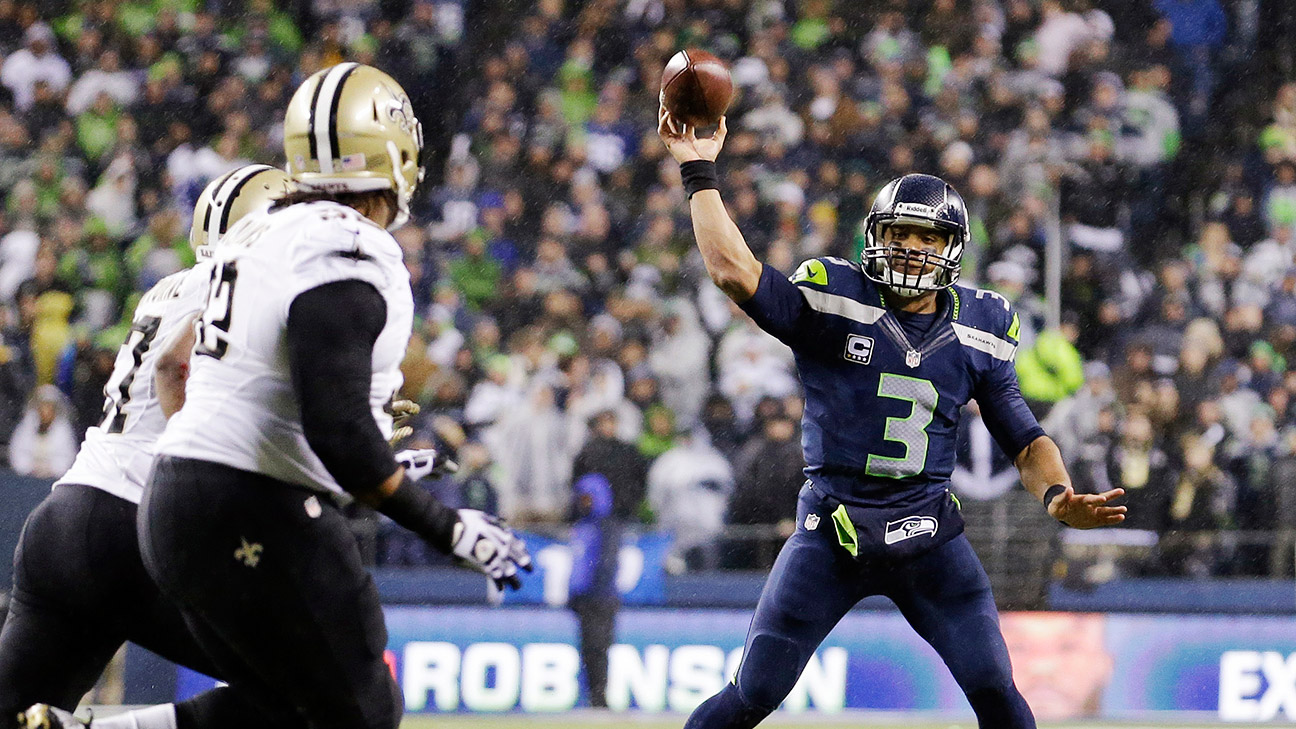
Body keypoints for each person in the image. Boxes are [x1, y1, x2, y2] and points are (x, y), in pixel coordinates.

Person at [658, 107, 1126, 729]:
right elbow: (733, 271)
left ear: (952, 249)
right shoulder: (834, 295)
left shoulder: (981, 325)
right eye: (900, 232)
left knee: (996, 690)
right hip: (833, 530)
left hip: (927, 536)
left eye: (927, 237)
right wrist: (698, 170)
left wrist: (1058, 496)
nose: (910, 246)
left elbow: (1022, 434)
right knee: (753, 693)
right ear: (875, 235)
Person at [141, 63, 531, 729]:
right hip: (251, 504)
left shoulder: (258, 234)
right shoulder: (350, 245)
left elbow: (178, 367)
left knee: (284, 707)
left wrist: (240, 464)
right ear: (394, 156)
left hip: (173, 499)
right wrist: (448, 526)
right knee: (366, 711)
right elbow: (337, 428)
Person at [1, 165, 304, 729]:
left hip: (66, 518)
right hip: (136, 526)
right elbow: (176, 368)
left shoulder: (166, 290)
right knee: (312, 685)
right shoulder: (242, 289)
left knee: (16, 719)